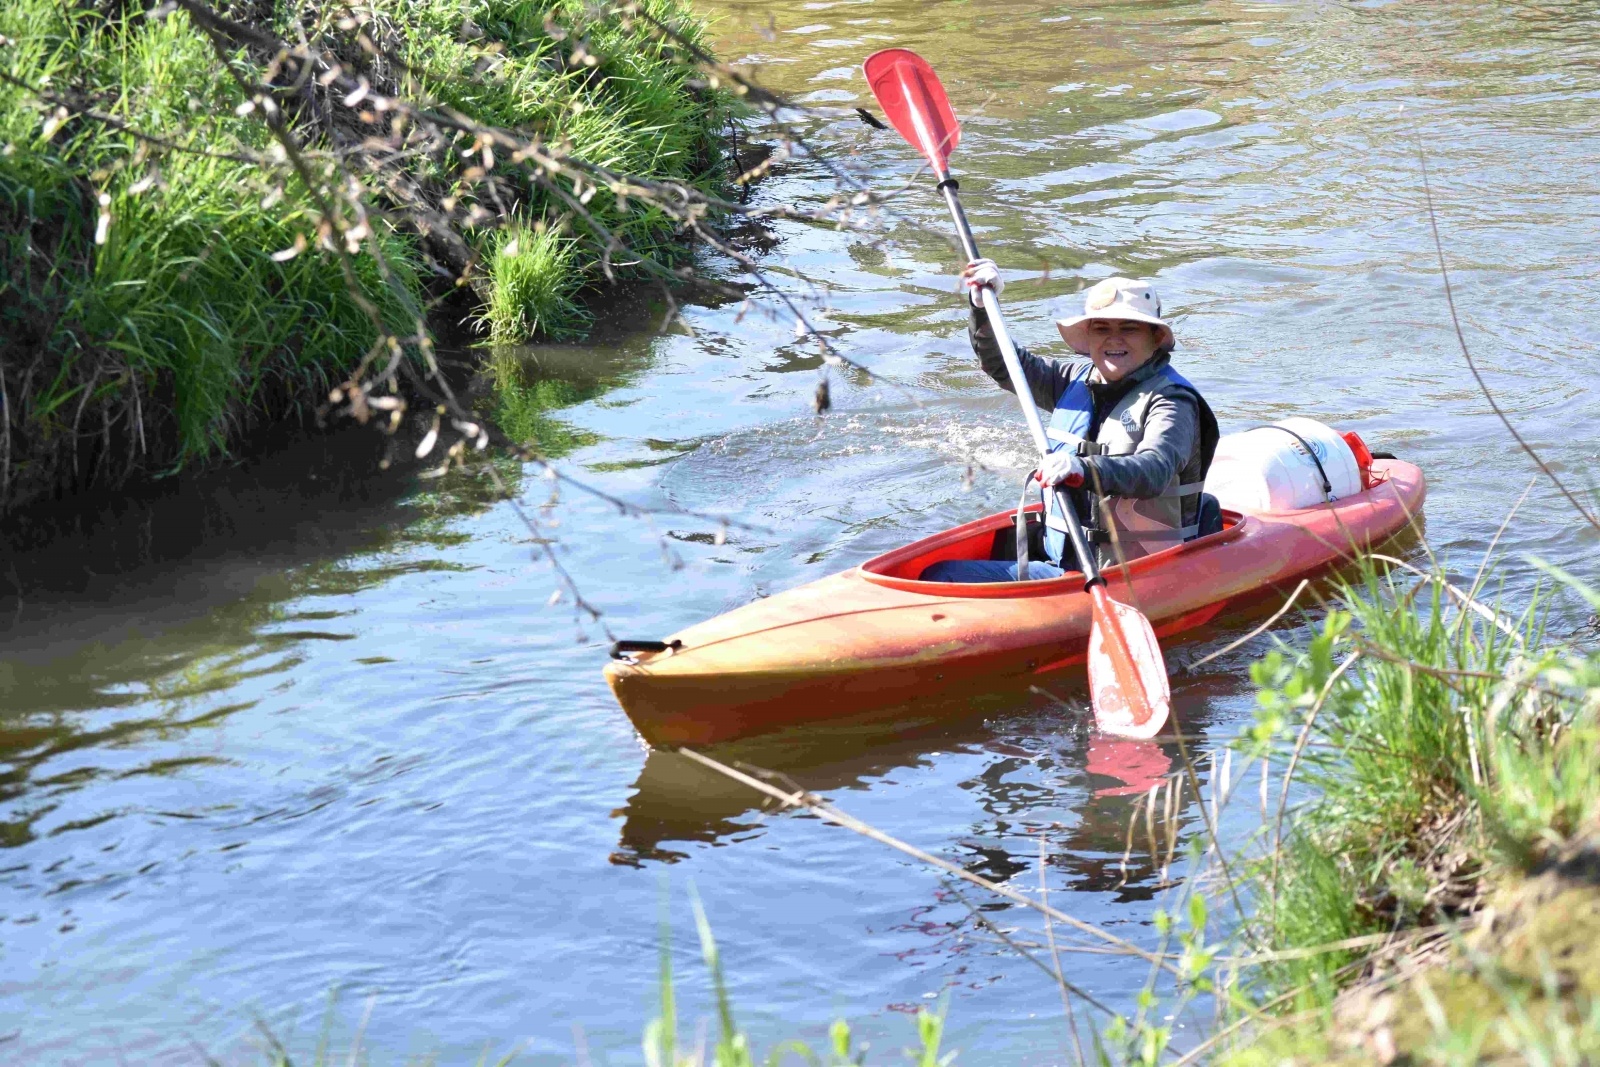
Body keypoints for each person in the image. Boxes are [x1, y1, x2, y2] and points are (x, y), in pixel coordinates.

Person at [921, 260, 1219, 583]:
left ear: (1154, 337)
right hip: (1065, 563)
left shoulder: (1172, 401)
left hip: (1137, 573)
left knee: (941, 575)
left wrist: (1083, 469)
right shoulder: (1072, 381)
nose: (1114, 340)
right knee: (937, 571)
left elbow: (1155, 469)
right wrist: (982, 306)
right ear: (1089, 337)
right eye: (1102, 328)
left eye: (1128, 328)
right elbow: (1005, 365)